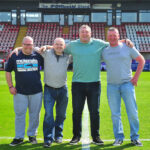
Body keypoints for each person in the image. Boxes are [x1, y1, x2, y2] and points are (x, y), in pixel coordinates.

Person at [40, 24, 133, 145]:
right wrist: (45, 46)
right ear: (79, 33)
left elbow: (112, 41)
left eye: (86, 32)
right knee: (76, 112)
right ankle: (76, 136)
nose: (84, 34)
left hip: (94, 83)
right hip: (78, 84)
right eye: (82, 32)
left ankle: (96, 136)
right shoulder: (73, 45)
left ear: (90, 33)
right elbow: (58, 47)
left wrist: (125, 40)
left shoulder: (98, 43)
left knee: (95, 112)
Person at [11, 37, 72, 148]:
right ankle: (48, 139)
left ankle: (58, 135)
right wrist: (17, 48)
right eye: (56, 44)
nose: (59, 46)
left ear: (64, 46)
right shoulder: (46, 53)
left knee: (61, 115)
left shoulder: (69, 55)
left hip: (63, 89)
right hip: (49, 89)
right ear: (53, 45)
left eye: (61, 44)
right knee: (48, 115)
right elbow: (30, 47)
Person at [102, 27, 145, 147]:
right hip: (112, 86)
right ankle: (119, 138)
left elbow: (141, 60)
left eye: (114, 35)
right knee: (115, 114)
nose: (112, 37)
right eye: (110, 35)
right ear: (107, 37)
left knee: (132, 112)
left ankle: (135, 137)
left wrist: (135, 78)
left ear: (118, 35)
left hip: (127, 84)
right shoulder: (104, 50)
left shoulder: (127, 46)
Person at [5, 36, 43, 146]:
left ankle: (32, 135)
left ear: (33, 45)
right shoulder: (15, 55)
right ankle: (19, 137)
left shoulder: (38, 55)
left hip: (36, 91)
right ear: (22, 45)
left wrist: (45, 47)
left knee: (35, 115)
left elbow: (53, 49)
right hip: (20, 92)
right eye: (25, 44)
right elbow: (8, 71)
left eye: (30, 44)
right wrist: (10, 86)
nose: (28, 46)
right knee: (20, 115)